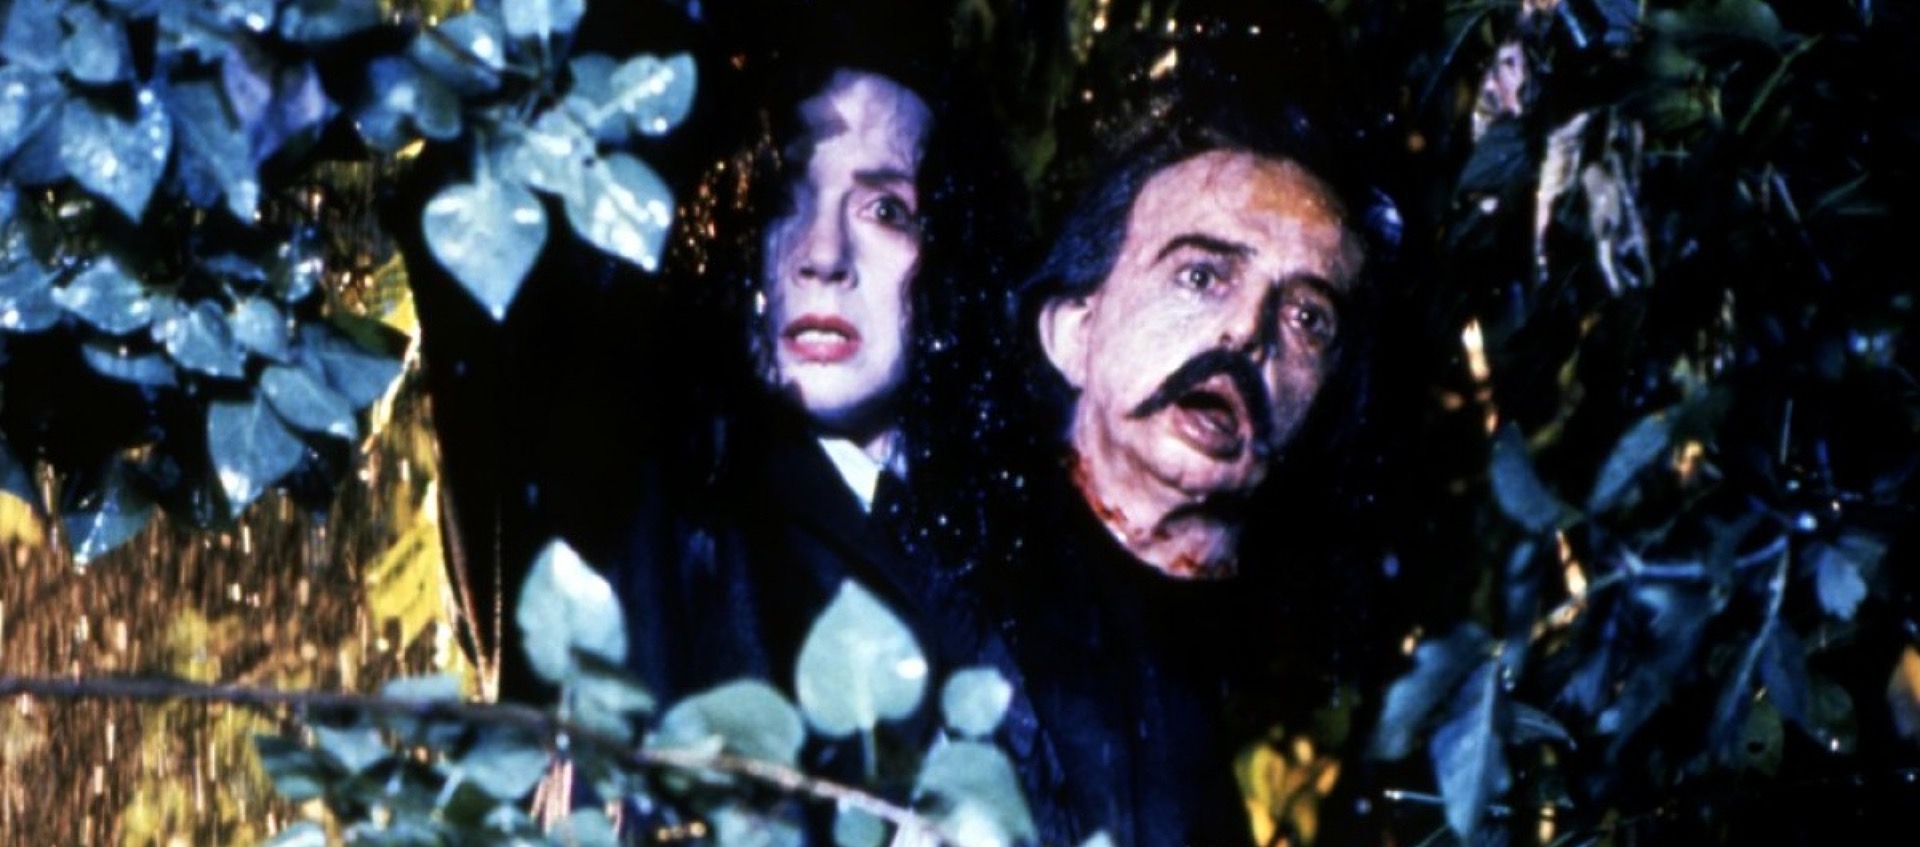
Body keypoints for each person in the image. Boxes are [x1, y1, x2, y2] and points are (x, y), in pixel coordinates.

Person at [1000, 83, 1398, 847]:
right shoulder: (952, 594)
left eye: (1306, 316)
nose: (1247, 330)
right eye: (1202, 275)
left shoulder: (1317, 695)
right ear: (1073, 330)